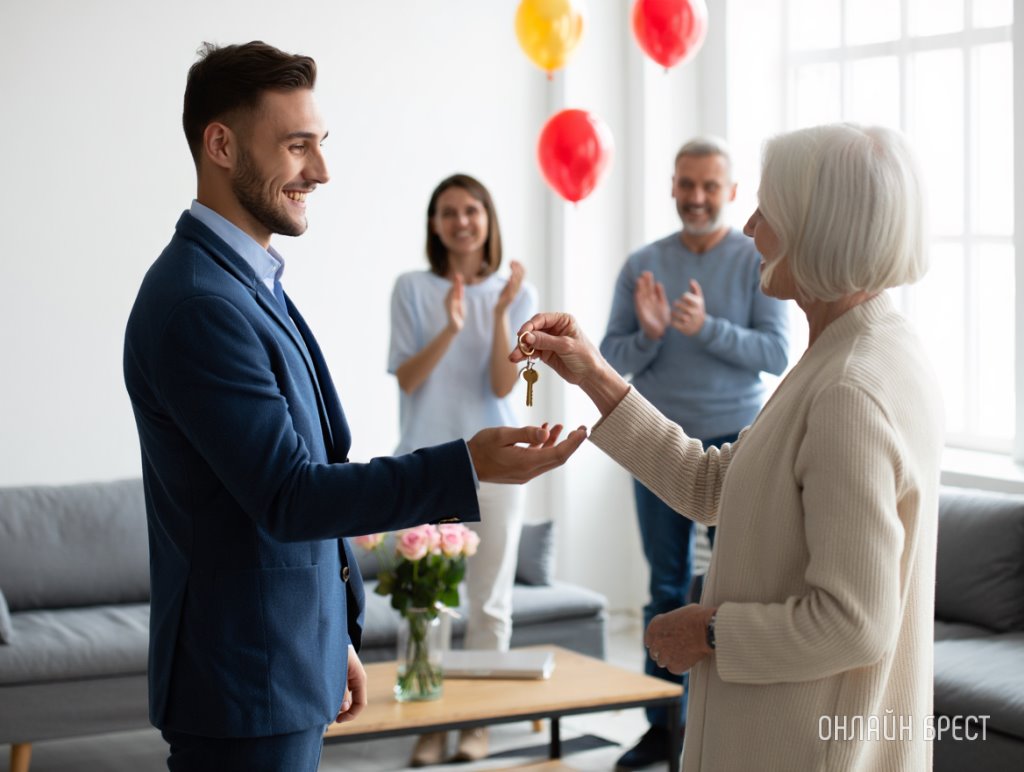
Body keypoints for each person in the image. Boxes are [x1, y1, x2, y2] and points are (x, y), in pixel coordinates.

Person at [122, 41, 585, 772]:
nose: (322, 170)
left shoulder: (247, 281)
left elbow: (298, 474)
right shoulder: (198, 305)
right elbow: (289, 495)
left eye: (321, 144)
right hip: (244, 679)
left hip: (283, 659)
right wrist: (464, 465)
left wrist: (331, 634)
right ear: (220, 144)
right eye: (297, 145)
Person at [512, 123, 943, 771]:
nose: (749, 228)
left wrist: (707, 631)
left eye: (768, 210)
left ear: (819, 225)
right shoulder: (859, 350)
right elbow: (713, 486)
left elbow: (854, 622)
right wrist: (594, 373)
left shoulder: (849, 388)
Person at [598, 136, 789, 768]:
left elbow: (777, 353)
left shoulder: (757, 257)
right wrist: (651, 335)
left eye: (711, 186)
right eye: (687, 184)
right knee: (665, 583)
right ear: (673, 187)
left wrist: (704, 327)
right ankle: (664, 728)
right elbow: (610, 361)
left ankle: (720, 726)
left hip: (738, 449)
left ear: (731, 193)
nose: (698, 197)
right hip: (657, 447)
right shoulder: (644, 264)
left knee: (727, 590)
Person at [387, 173, 538, 765]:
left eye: (471, 210)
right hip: (425, 464)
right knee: (426, 604)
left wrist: (499, 312)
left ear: (487, 218)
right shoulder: (412, 288)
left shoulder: (515, 291)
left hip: (497, 466)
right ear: (435, 224)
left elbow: (505, 384)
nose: (461, 221)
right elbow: (408, 378)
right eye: (448, 212)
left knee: (490, 602)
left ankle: (478, 724)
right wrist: (451, 327)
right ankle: (430, 723)